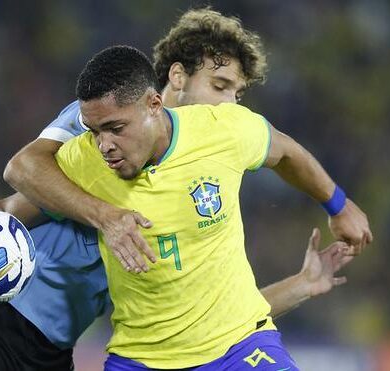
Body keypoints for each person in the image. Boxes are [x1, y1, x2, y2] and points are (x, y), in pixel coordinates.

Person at [0, 8, 361, 371]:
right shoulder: (96, 135)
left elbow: (203, 318)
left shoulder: (213, 150)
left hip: (53, 347)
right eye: (220, 87)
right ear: (174, 83)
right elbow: (11, 195)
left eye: (237, 95)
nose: (228, 104)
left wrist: (302, 282)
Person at [49, 44, 367, 370]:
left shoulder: (222, 130)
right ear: (176, 78)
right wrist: (103, 216)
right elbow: (23, 176)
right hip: (141, 360)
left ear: (153, 105)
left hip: (239, 349)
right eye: (219, 85)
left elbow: (286, 151)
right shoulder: (87, 158)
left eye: (115, 129)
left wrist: (338, 206)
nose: (104, 145)